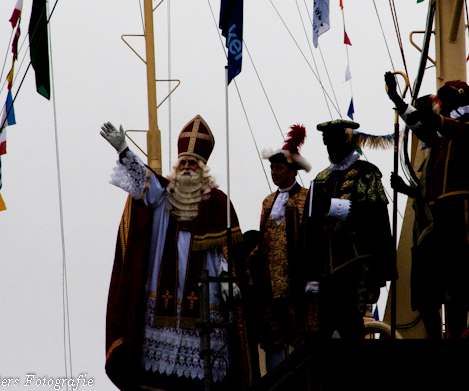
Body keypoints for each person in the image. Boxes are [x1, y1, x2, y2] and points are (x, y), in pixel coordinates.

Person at [101, 115, 252, 390]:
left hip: (205, 301)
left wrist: (228, 279)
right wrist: (124, 149)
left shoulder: (217, 202)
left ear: (202, 168)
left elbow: (224, 252)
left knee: (204, 373)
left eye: (192, 162)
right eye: (182, 161)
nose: (185, 166)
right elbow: (141, 180)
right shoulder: (163, 193)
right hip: (161, 299)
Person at [385, 74, 469, 340]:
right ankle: (442, 335)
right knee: (433, 271)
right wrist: (398, 101)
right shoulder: (443, 138)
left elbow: (450, 127)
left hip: (465, 206)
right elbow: (421, 126)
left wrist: (432, 117)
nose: (442, 108)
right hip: (441, 211)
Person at [304, 119, 396, 339]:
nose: (332, 149)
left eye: (336, 143)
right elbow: (310, 228)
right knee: (325, 326)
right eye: (328, 144)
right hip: (326, 267)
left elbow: (378, 221)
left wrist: (380, 273)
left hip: (356, 262)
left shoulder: (367, 173)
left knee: (350, 322)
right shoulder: (320, 179)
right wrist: (311, 273)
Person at [247, 124, 315, 370]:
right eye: (272, 167)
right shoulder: (268, 201)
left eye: (279, 168)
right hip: (269, 284)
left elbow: (314, 239)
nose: (274, 172)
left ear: (292, 171)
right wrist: (248, 264)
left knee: (302, 333)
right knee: (271, 337)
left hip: (296, 281)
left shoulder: (307, 198)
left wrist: (313, 276)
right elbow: (263, 238)